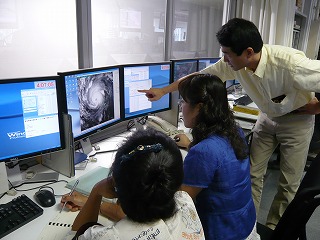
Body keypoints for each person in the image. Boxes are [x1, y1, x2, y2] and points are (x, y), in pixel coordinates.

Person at [138, 18, 320, 230]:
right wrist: (163, 91)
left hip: (296, 121)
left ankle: (275, 229)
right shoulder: (235, 64)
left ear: (248, 52)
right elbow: (199, 77)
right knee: (252, 174)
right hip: (267, 117)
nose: (224, 59)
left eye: (227, 54)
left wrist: (318, 107)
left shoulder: (289, 64)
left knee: (289, 183)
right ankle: (248, 223)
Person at [62, 128, 205, 240]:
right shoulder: (186, 202)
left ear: (116, 188)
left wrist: (96, 191)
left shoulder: (110, 237)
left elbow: (74, 235)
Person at [174, 73, 259, 239]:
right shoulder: (234, 130)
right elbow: (219, 158)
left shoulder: (203, 152)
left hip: (223, 233)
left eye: (183, 101)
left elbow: (180, 203)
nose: (181, 106)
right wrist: (190, 145)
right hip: (245, 225)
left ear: (198, 107)